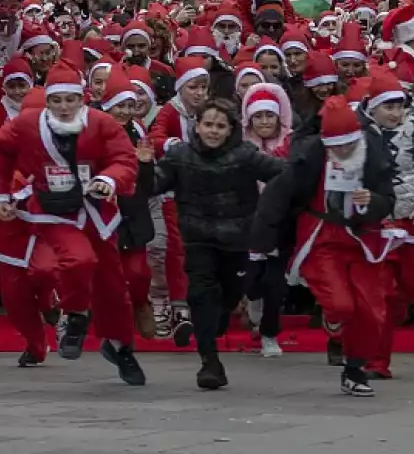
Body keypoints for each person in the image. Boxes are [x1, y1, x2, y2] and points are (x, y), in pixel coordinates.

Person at [0, 62, 146, 386]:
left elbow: (124, 159)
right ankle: (75, 315)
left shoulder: (101, 123)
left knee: (113, 287)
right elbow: (0, 153)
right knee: (78, 260)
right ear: (47, 101)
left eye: (70, 100)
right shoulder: (27, 124)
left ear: (82, 99)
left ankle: (121, 347)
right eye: (56, 100)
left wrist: (108, 179)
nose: (63, 108)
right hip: (53, 211)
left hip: (95, 210)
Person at [251, 96, 396, 397]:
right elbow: (277, 195)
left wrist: (373, 202)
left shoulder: (374, 151)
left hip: (362, 237)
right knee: (342, 304)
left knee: (372, 312)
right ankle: (334, 318)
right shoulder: (310, 155)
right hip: (321, 237)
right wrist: (263, 241)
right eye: (336, 145)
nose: (343, 150)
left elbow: (387, 198)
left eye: (349, 144)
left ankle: (354, 368)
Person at [154, 99, 287, 389]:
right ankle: (209, 362)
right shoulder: (180, 155)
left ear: (230, 130)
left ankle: (222, 317)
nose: (213, 131)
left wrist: (271, 210)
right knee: (201, 297)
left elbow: (282, 174)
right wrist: (141, 167)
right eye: (208, 125)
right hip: (197, 238)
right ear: (197, 126)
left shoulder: (246, 155)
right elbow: (155, 183)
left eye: (220, 126)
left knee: (228, 297)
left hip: (237, 240)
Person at [358, 69, 414, 379]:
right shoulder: (359, 134)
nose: (395, 113)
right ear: (373, 108)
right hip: (379, 220)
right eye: (388, 107)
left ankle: (398, 311)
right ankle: (376, 361)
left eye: (399, 106)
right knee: (380, 291)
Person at [147, 56, 215, 346]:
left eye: (203, 87)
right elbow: (156, 137)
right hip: (175, 192)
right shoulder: (170, 112)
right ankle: (178, 306)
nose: (198, 93)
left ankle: (197, 304)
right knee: (177, 249)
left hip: (203, 192)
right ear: (181, 88)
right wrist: (175, 147)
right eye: (193, 87)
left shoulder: (207, 112)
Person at [100, 67, 158, 339]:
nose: (123, 112)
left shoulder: (138, 134)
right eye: (118, 106)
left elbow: (148, 186)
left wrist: (145, 164)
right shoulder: (92, 132)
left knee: (138, 273)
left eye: (128, 106)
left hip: (132, 213)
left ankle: (141, 303)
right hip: (102, 212)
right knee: (106, 274)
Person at [240, 83, 295, 357]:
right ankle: (254, 308)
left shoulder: (291, 143)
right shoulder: (240, 147)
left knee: (276, 283)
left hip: (279, 224)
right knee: (252, 282)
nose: (264, 122)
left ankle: (269, 333)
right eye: (258, 116)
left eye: (269, 116)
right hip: (248, 224)